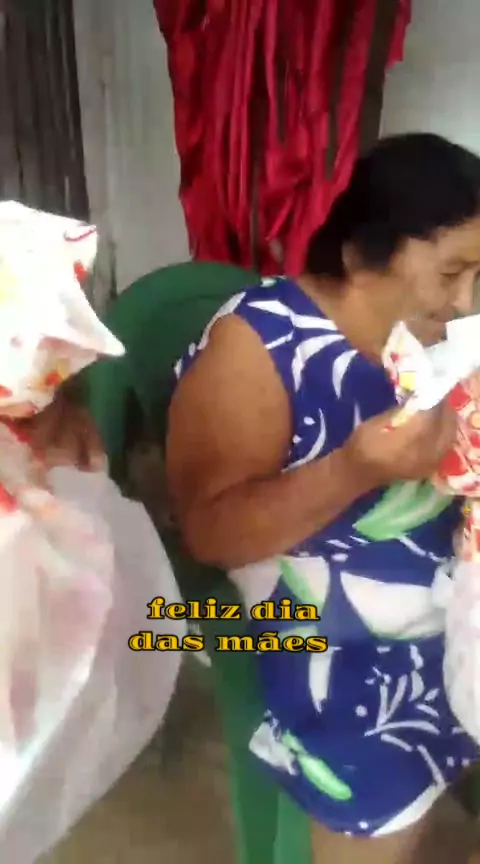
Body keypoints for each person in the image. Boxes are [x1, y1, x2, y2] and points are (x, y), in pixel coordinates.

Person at [166, 133, 480, 862]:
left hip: (440, 573)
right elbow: (209, 534)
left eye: (479, 274)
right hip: (308, 611)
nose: (466, 301)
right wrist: (353, 469)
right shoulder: (260, 345)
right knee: (382, 731)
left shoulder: (430, 338)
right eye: (451, 273)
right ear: (361, 253)